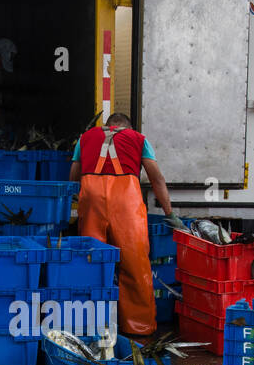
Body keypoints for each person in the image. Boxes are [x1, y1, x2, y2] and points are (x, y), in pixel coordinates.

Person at [69, 112, 175, 336]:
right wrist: (169, 213)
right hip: (126, 202)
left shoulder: (85, 138)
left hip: (91, 199)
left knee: (92, 262)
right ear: (127, 127)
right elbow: (157, 179)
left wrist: (76, 205)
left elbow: (73, 178)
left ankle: (89, 325)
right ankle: (139, 327)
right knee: (134, 264)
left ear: (108, 126)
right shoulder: (139, 139)